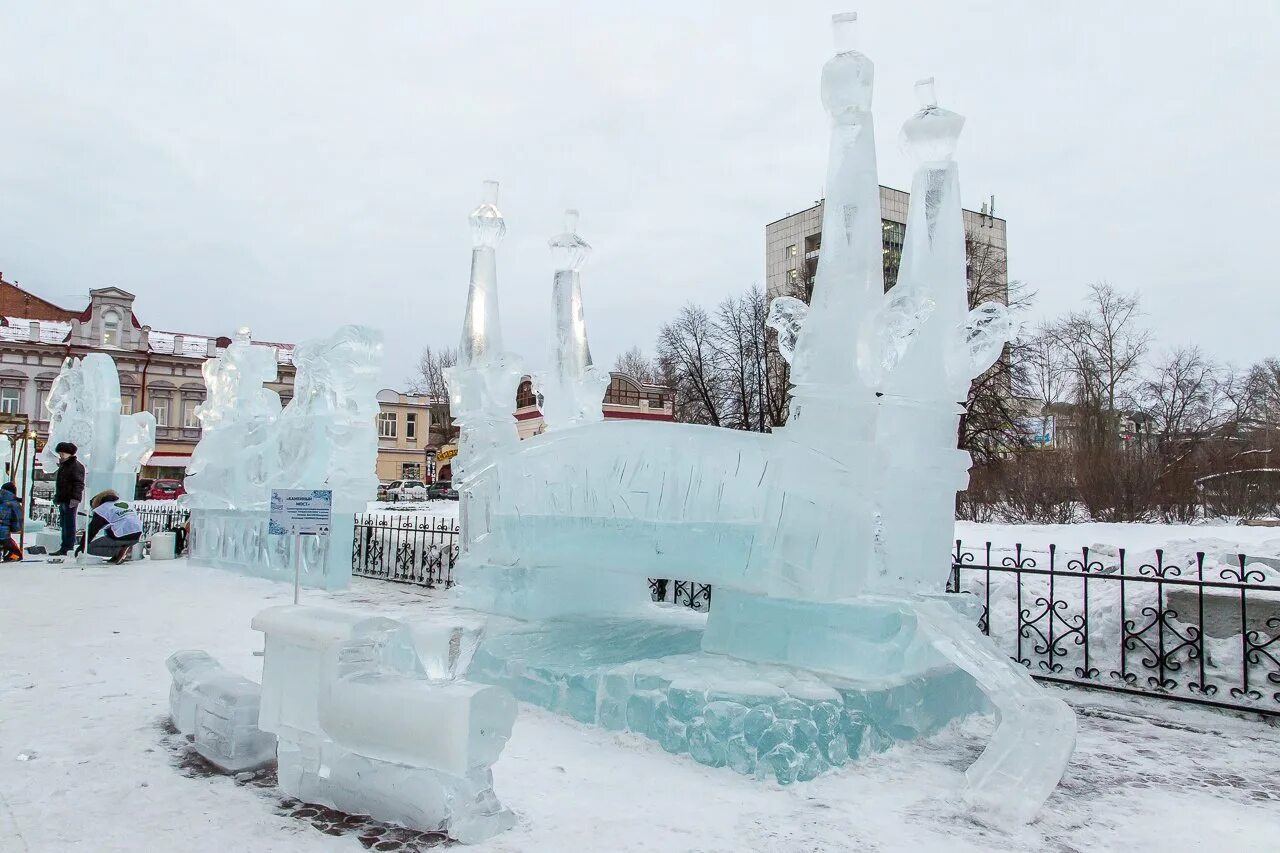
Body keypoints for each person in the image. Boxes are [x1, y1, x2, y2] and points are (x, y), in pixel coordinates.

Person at [85, 490, 143, 564]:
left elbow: (92, 529)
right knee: (110, 530)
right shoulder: (125, 504)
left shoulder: (102, 509)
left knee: (90, 548)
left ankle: (119, 551)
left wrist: (83, 545)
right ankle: (122, 552)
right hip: (136, 535)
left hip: (121, 536)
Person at [51, 441, 85, 556]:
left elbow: (78, 484)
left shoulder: (74, 466)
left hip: (70, 499)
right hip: (65, 498)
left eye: (62, 453)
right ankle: (65, 546)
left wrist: (75, 498)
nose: (60, 455)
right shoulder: (65, 466)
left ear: (69, 454)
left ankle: (67, 547)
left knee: (69, 524)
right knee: (65, 523)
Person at [0, 482, 23, 561]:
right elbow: (17, 523)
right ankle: (10, 555)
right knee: (17, 555)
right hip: (3, 535)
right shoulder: (14, 503)